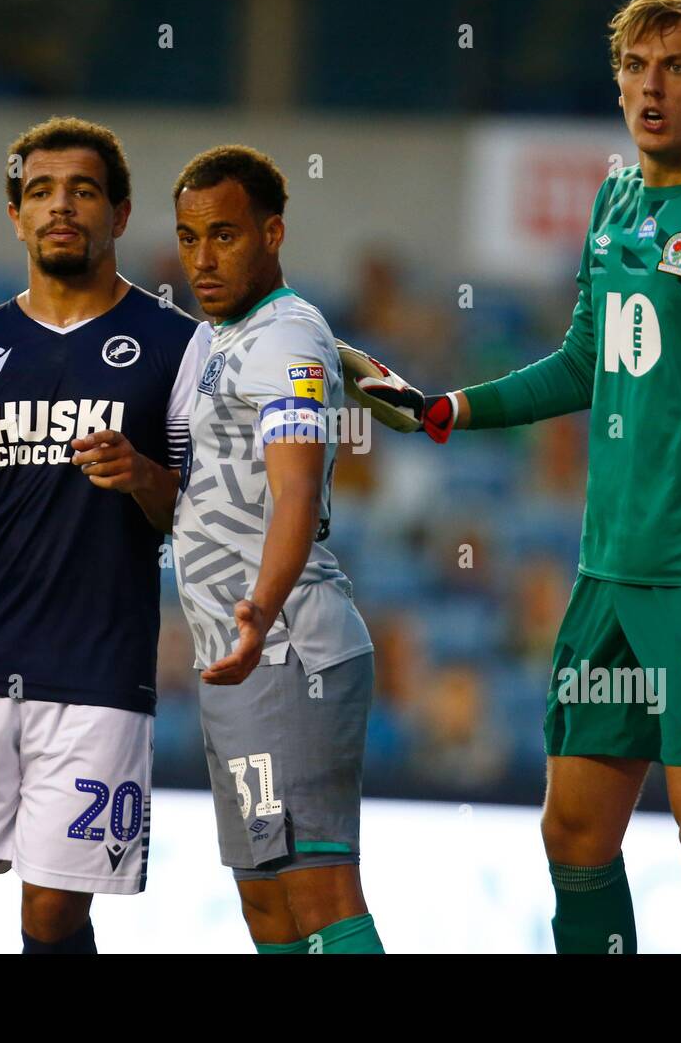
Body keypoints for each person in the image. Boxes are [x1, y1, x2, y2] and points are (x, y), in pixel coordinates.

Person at [352, 0, 681, 954]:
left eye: (676, 67)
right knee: (575, 831)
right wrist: (448, 409)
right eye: (636, 66)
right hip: (608, 576)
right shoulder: (615, 200)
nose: (651, 85)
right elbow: (583, 362)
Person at [0, 116, 202, 954]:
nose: (62, 207)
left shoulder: (179, 346)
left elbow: (192, 517)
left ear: (121, 215)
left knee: (56, 912)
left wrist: (143, 474)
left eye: (84, 191)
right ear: (15, 216)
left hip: (99, 670)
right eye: (41, 191)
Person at [169, 145, 383, 953]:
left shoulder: (287, 337)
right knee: (268, 908)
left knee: (319, 893)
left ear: (273, 232)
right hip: (237, 656)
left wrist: (259, 609)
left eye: (224, 235)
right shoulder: (220, 341)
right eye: (189, 238)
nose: (202, 257)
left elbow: (295, 488)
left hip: (290, 647)